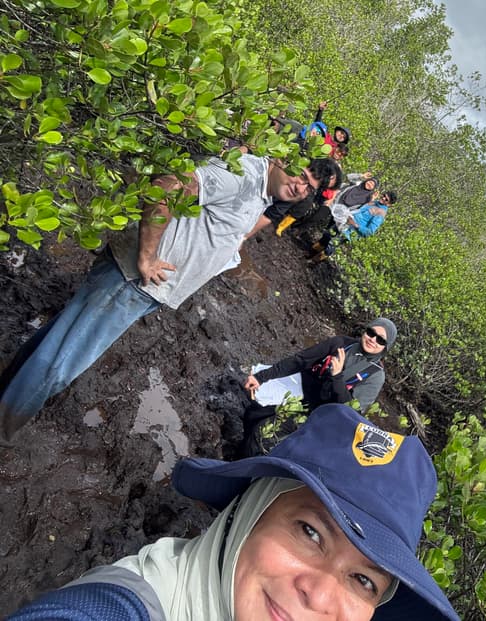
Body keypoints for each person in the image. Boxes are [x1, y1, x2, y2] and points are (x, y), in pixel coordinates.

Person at [6, 403, 461, 620]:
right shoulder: (132, 604)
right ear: (248, 511)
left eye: (364, 580)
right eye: (310, 532)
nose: (319, 596)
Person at [0, 155, 342, 444]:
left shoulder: (261, 192)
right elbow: (169, 185)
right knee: (61, 364)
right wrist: (147, 256)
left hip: (143, 286)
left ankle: (7, 392)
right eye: (301, 175)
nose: (300, 186)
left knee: (58, 340)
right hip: (133, 281)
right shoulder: (245, 175)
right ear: (283, 159)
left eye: (310, 187)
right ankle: (5, 428)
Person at [245, 317, 396, 414]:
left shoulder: (375, 375)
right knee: (255, 410)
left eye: (381, 340)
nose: (373, 340)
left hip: (322, 412)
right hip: (301, 389)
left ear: (386, 347)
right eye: (371, 333)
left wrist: (337, 377)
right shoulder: (341, 343)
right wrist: (261, 377)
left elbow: (350, 412)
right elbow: (300, 360)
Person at [311, 190, 397, 262]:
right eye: (384, 196)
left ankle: (313, 261)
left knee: (331, 245)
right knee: (327, 235)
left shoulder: (381, 214)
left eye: (386, 199)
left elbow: (369, 232)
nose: (383, 198)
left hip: (350, 232)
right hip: (345, 222)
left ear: (389, 204)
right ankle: (311, 252)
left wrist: (355, 225)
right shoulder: (374, 202)